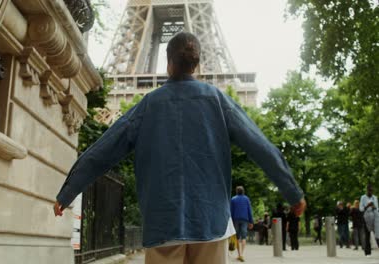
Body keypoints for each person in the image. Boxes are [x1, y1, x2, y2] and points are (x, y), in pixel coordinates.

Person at [53, 32, 306, 264]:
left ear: (168, 62)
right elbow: (259, 144)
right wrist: (292, 192)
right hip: (210, 221)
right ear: (196, 64)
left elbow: (103, 150)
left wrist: (68, 192)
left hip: (164, 223)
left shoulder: (149, 105)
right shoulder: (217, 100)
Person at [230, 186, 254, 262]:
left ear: (236, 191)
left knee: (237, 237)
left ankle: (239, 254)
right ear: (243, 191)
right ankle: (242, 254)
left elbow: (231, 211)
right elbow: (249, 210)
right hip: (245, 219)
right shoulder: (246, 199)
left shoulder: (233, 199)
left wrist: (231, 221)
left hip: (235, 219)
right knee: (244, 237)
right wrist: (251, 221)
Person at [360, 184, 379, 257]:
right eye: (370, 190)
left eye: (372, 191)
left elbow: (377, 208)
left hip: (374, 217)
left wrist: (373, 206)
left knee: (377, 234)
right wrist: (367, 205)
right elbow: (361, 209)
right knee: (367, 235)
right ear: (367, 190)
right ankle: (367, 252)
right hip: (366, 218)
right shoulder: (363, 198)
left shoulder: (375, 197)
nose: (371, 192)